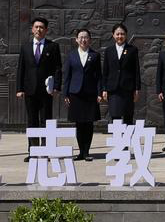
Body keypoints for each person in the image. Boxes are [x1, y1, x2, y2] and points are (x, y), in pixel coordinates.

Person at [16, 17, 62, 162]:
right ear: (32, 29)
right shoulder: (25, 47)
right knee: (32, 121)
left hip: (46, 91)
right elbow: (21, 69)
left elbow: (58, 68)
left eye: (41, 27)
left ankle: (45, 151)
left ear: (46, 30)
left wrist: (56, 87)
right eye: (36, 27)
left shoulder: (52, 46)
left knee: (46, 121)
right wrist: (19, 88)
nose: (38, 29)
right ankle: (33, 151)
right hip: (30, 90)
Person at [63, 28, 102, 161]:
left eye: (86, 37)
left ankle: (87, 152)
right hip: (75, 93)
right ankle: (80, 152)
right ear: (76, 40)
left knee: (89, 123)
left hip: (90, 94)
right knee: (79, 124)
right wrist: (65, 94)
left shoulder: (95, 55)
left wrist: (99, 93)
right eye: (81, 37)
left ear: (90, 40)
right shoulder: (71, 55)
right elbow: (67, 76)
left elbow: (98, 76)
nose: (83, 40)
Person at [102, 23, 141, 126]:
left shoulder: (132, 50)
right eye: (117, 34)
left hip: (128, 88)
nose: (120, 36)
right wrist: (104, 88)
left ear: (126, 35)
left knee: (128, 115)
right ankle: (118, 140)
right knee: (115, 116)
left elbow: (136, 70)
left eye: (122, 34)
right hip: (113, 88)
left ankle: (128, 140)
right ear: (113, 35)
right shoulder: (108, 51)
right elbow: (105, 71)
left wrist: (137, 89)